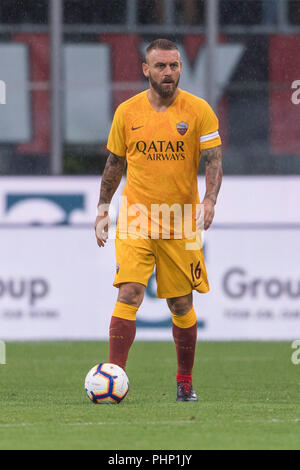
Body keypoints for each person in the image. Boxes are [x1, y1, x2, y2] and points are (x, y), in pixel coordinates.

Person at [95, 38, 222, 402]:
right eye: (161, 66)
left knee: (180, 305)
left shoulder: (199, 111)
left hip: (180, 222)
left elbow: (213, 159)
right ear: (145, 70)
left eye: (175, 65)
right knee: (130, 292)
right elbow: (114, 164)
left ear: (181, 68)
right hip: (136, 218)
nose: (169, 72)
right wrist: (103, 208)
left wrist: (210, 200)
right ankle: (114, 376)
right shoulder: (127, 112)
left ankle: (184, 381)